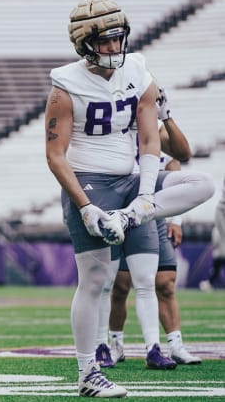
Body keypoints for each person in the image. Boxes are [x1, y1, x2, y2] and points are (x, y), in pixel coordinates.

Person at [45, 0, 214, 398]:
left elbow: (152, 140)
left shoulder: (138, 70)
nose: (115, 47)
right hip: (90, 181)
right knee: (95, 280)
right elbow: (55, 155)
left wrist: (142, 198)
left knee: (204, 183)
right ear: (85, 42)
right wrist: (86, 208)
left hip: (133, 180)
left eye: (119, 38)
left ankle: (135, 215)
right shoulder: (65, 86)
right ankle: (88, 372)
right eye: (106, 40)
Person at [96, 87, 201, 368]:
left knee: (162, 282)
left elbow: (182, 156)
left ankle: (171, 345)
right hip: (117, 204)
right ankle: (113, 344)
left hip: (150, 211)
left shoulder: (155, 128)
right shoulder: (111, 127)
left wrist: (166, 116)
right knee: (117, 285)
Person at [199, 180, 225, 291]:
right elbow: (216, 242)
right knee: (216, 269)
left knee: (216, 270)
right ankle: (208, 283)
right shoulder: (217, 228)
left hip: (220, 253)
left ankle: (208, 283)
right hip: (220, 253)